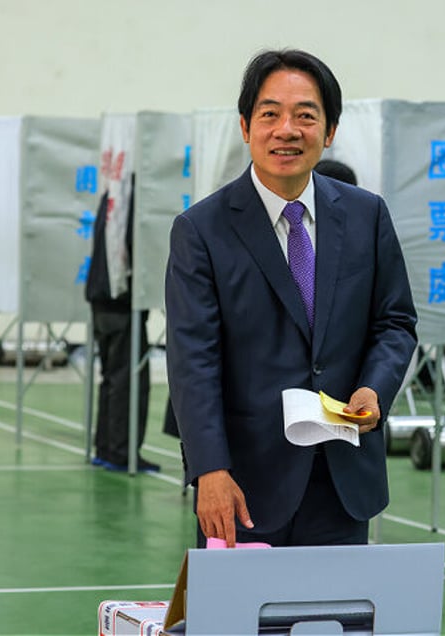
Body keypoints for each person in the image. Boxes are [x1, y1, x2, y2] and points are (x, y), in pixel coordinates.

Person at [165, 49, 417, 547]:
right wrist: (209, 469)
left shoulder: (367, 216)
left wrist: (374, 390)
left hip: (344, 478)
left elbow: (395, 322)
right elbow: (193, 360)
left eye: (305, 115)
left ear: (329, 131)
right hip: (244, 486)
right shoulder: (201, 230)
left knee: (337, 622)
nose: (287, 129)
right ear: (245, 126)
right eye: (270, 114)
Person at [85, 178, 159, 473]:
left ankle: (106, 448)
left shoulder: (112, 194)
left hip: (101, 296)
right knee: (129, 379)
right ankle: (122, 452)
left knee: (112, 377)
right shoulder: (137, 200)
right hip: (121, 301)